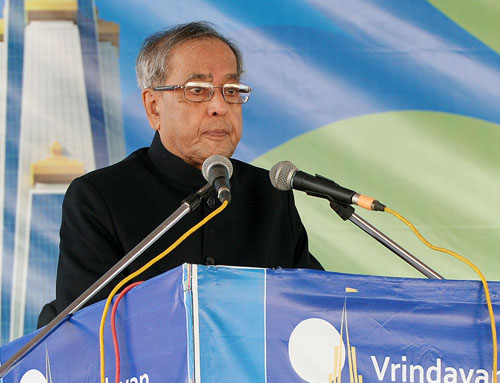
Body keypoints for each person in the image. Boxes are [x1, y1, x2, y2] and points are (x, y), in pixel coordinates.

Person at [37, 21, 321, 327]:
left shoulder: (269, 194)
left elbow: (316, 310)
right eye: (197, 90)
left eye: (231, 90)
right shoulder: (100, 198)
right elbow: (86, 332)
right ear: (154, 107)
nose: (219, 106)